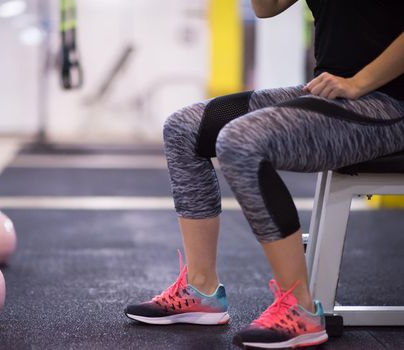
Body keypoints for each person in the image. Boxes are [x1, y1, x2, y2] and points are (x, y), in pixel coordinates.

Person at [124, 0, 404, 348]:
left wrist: (359, 82)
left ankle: (301, 309)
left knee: (241, 142)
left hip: (389, 101)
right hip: (332, 92)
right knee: (184, 128)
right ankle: (201, 288)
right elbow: (266, 8)